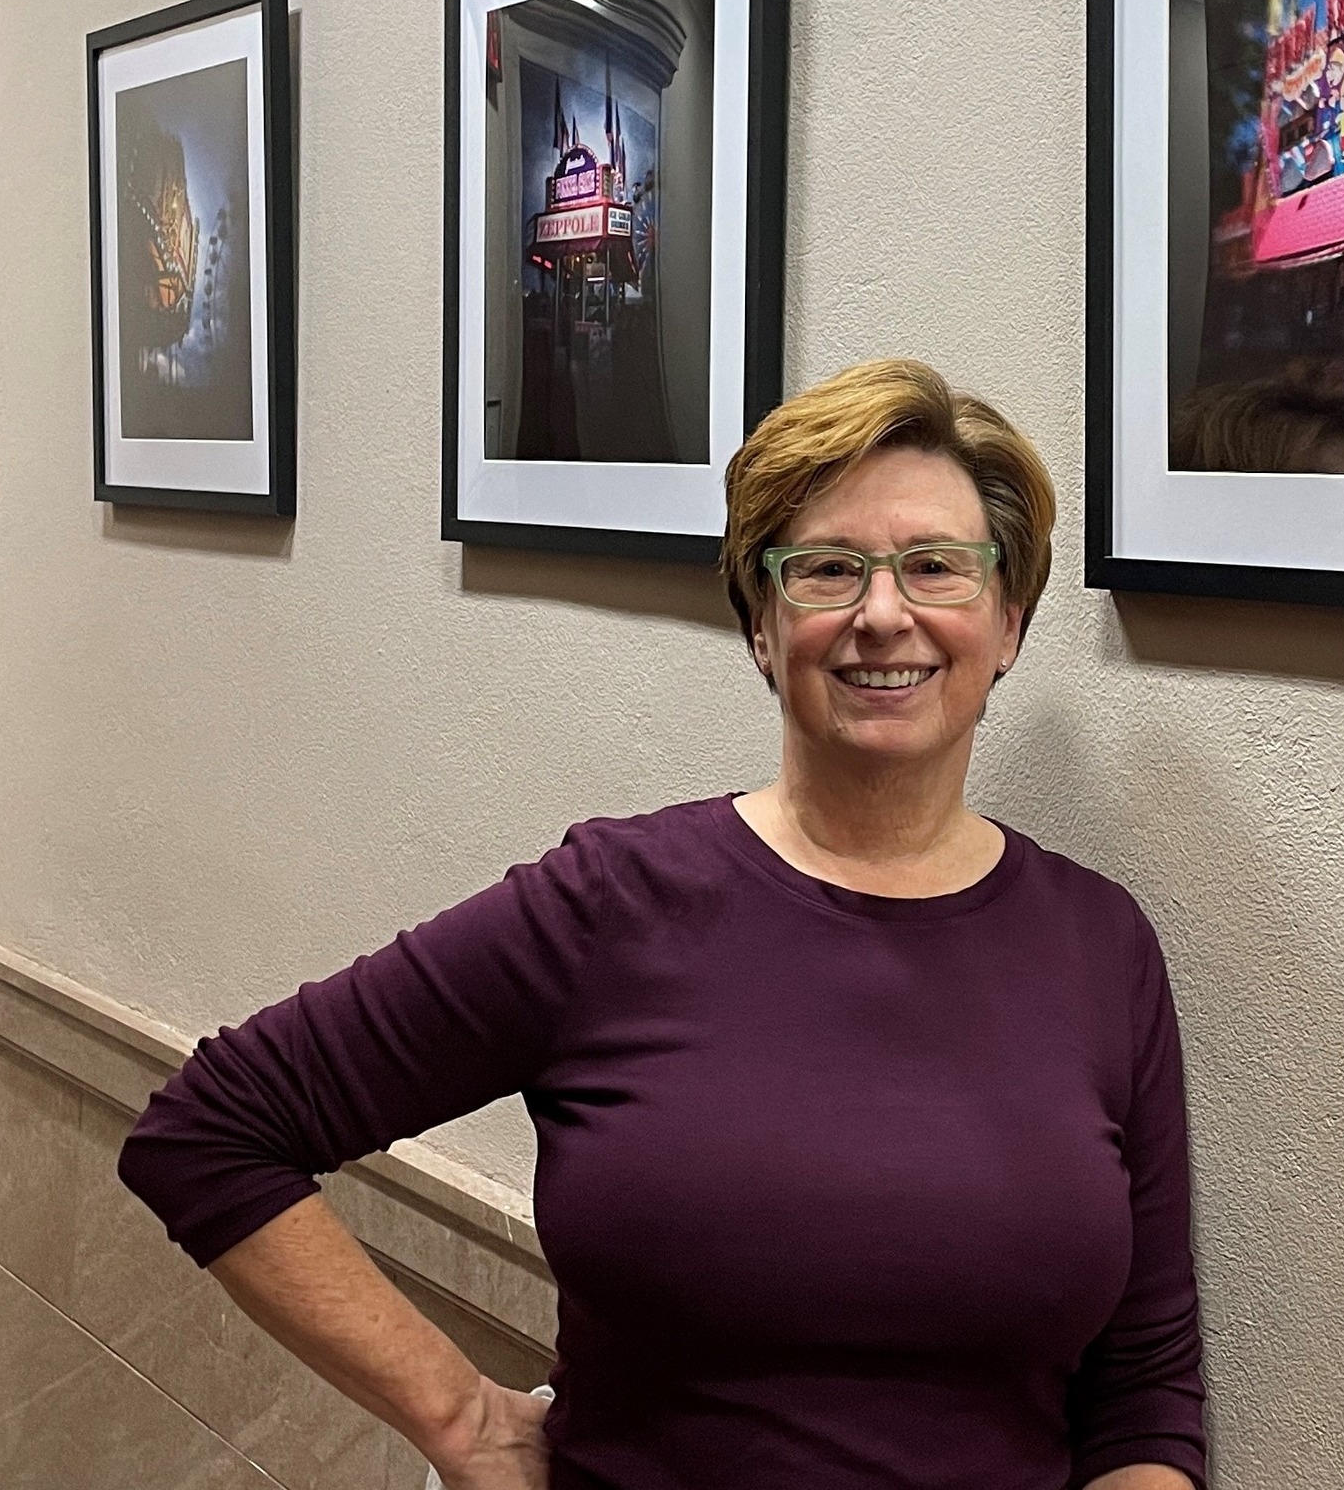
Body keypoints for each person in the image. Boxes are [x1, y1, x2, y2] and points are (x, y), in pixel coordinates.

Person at [119, 359, 1207, 1490]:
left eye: (936, 566)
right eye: (828, 568)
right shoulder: (612, 905)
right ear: (760, 626)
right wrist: (464, 1419)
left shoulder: (1100, 945)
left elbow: (1144, 1390)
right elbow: (214, 1130)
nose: (884, 613)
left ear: (1010, 621)